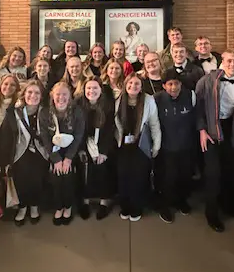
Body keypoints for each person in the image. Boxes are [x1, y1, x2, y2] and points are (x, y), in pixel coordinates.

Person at [195, 49, 234, 233]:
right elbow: (199, 108)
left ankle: (232, 207)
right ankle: (212, 215)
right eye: (228, 61)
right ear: (222, 62)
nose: (232, 65)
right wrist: (202, 130)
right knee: (213, 174)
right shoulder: (207, 80)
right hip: (212, 129)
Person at [0, 80, 51, 226]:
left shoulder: (46, 112)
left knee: (36, 180)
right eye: (29, 92)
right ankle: (22, 207)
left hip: (40, 152)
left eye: (36, 93)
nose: (33, 95)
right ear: (23, 94)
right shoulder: (13, 112)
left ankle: (34, 206)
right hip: (19, 153)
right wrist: (5, 161)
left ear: (41, 96)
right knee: (21, 181)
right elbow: (6, 137)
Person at [114, 73, 161, 221]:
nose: (133, 86)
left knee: (139, 178)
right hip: (123, 145)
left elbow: (154, 124)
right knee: (123, 177)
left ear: (141, 87)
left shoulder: (148, 100)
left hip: (141, 145)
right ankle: (125, 206)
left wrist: (156, 145)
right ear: (125, 85)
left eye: (136, 84)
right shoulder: (119, 100)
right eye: (130, 84)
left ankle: (136, 208)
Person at [154, 69, 197, 224]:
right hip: (166, 147)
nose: (174, 87)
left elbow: (196, 117)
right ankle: (164, 206)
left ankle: (181, 201)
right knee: (167, 178)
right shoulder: (157, 99)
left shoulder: (190, 95)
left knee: (184, 176)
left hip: (186, 146)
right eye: (170, 84)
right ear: (164, 86)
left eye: (176, 83)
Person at [75, 77, 116, 220]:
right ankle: (85, 201)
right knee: (83, 170)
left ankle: (105, 201)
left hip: (102, 144)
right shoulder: (78, 105)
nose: (91, 91)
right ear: (84, 90)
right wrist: (80, 149)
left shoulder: (108, 106)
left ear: (101, 90)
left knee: (103, 168)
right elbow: (76, 130)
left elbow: (111, 130)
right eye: (88, 88)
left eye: (95, 88)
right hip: (83, 144)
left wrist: (104, 152)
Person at [48, 82, 85, 226]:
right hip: (54, 151)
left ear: (69, 96)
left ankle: (68, 206)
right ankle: (59, 206)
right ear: (52, 95)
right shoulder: (46, 112)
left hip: (72, 150)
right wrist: (56, 159)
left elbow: (78, 135)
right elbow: (45, 138)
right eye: (58, 94)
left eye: (64, 94)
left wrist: (68, 158)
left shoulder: (77, 112)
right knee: (56, 175)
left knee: (68, 174)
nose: (61, 97)